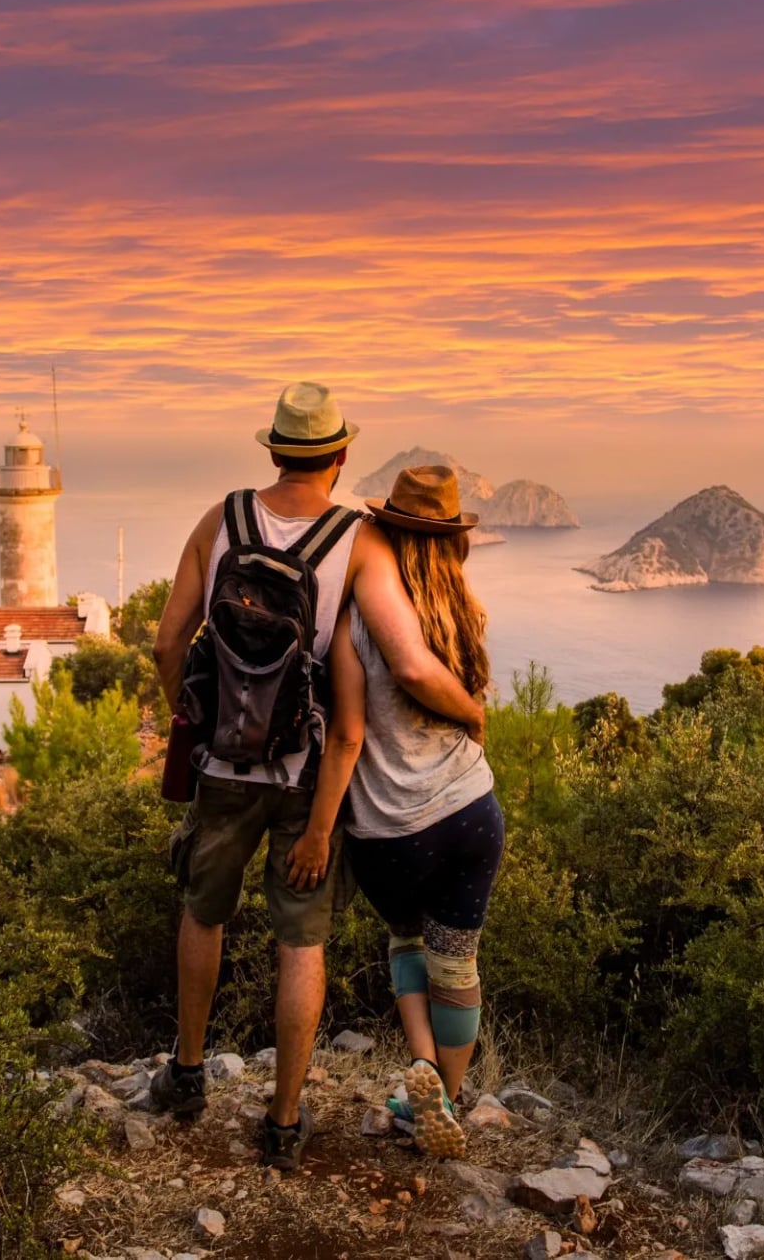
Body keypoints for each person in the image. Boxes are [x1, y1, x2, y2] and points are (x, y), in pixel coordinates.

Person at [148, 383, 486, 1171]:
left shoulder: (221, 518)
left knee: (204, 915)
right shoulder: (357, 541)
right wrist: (471, 710)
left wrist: (190, 720)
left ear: (271, 450)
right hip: (307, 772)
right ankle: (285, 1123)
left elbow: (169, 644)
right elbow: (406, 660)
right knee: (301, 942)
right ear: (339, 455)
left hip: (224, 764)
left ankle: (189, 1075)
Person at [284, 464, 502, 1159]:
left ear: (390, 534)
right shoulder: (465, 614)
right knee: (456, 961)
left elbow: (347, 737)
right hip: (471, 809)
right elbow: (462, 702)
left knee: (407, 944)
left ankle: (422, 1080)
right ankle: (442, 1097)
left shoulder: (355, 623)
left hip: (388, 832)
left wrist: (319, 833)